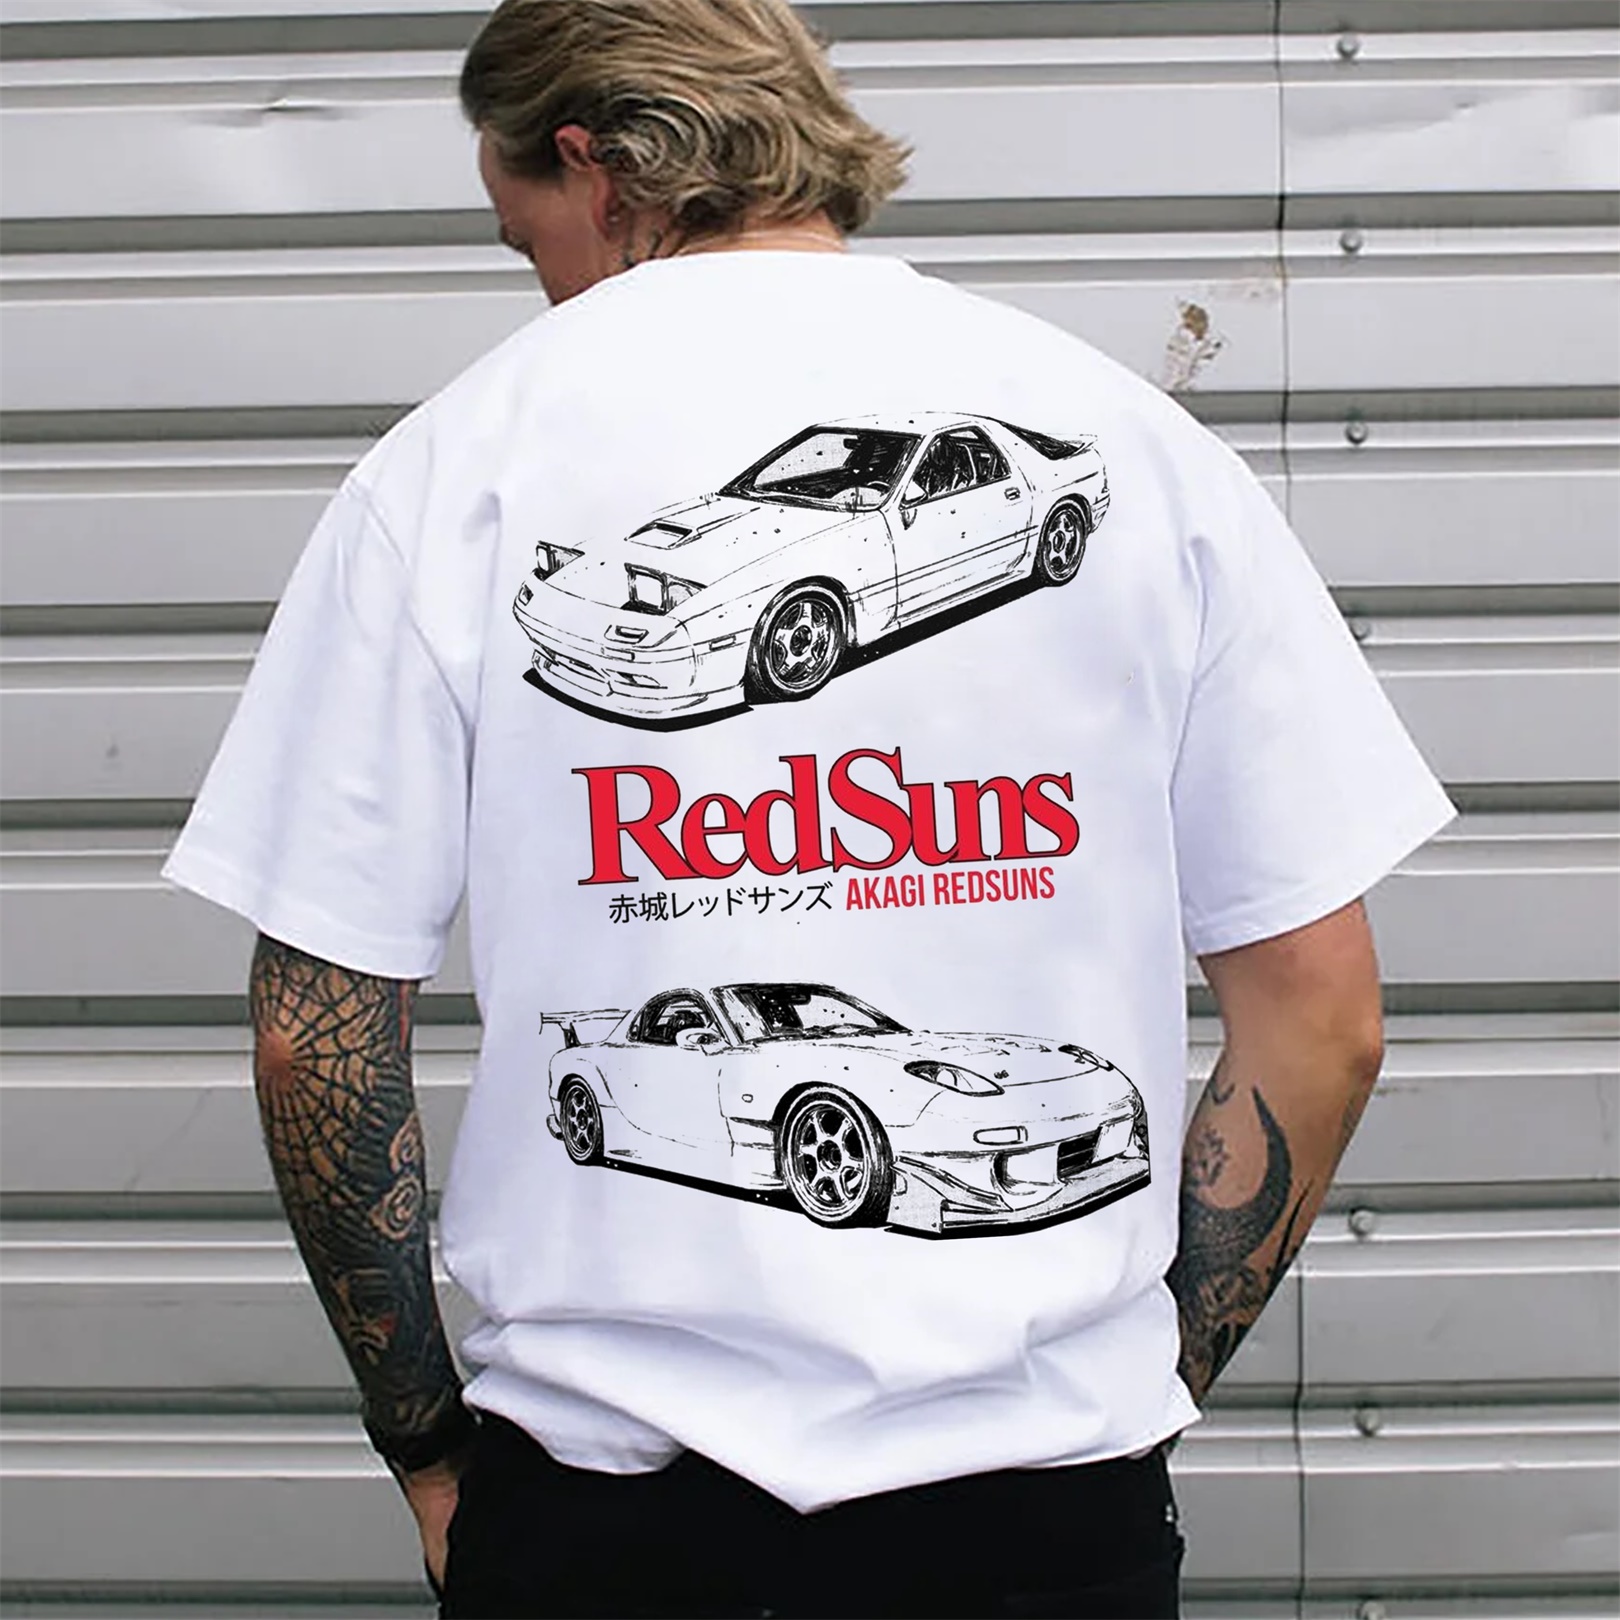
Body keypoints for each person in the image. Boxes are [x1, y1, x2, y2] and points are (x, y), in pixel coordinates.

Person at [163, 1, 1455, 1615]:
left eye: (524, 240)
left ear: (593, 165)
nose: (543, 284)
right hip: (1047, 1510)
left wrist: (426, 1448)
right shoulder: (1147, 450)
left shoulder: (451, 466)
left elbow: (315, 1042)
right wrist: (1148, 1378)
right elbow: (1323, 1019)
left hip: (605, 1515)